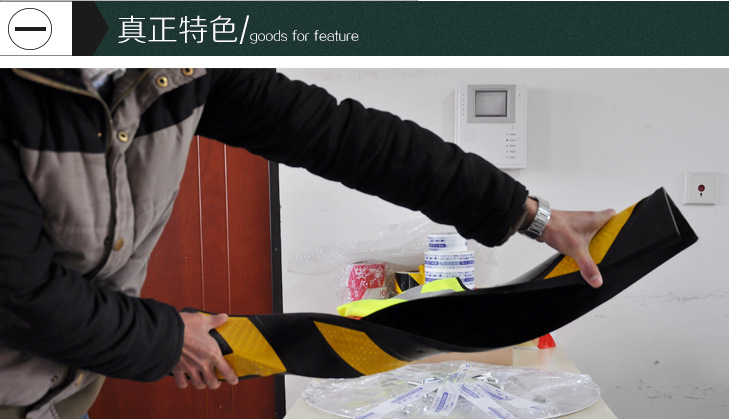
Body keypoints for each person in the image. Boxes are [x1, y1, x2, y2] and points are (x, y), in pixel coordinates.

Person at [0, 68, 614, 419]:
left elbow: (340, 135)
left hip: (61, 386)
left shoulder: (174, 57)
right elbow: (18, 293)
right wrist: (166, 339)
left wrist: (528, 214)